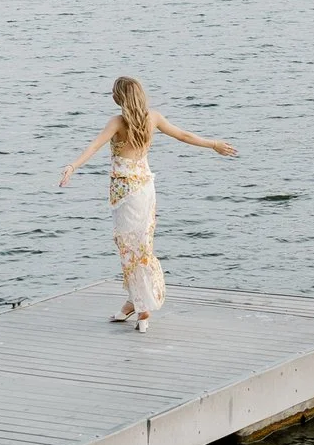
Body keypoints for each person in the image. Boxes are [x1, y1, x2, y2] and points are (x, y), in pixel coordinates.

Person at [57, 76, 236, 329]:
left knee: (129, 246)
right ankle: (134, 303)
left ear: (120, 97)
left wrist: (72, 166)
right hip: (145, 188)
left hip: (125, 193)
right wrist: (213, 144)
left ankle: (142, 308)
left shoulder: (117, 122)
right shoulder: (153, 118)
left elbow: (94, 146)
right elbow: (183, 135)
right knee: (141, 245)